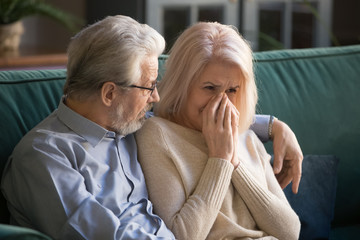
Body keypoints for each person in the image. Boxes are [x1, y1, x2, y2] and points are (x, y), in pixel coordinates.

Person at [1, 15, 301, 239]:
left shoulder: (126, 120)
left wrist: (274, 127)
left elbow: (190, 110)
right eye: (148, 87)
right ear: (109, 93)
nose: (156, 97)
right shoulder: (44, 157)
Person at [135, 22, 301, 240]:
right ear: (181, 85)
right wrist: (220, 160)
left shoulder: (248, 137)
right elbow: (181, 236)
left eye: (232, 90)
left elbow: (291, 231)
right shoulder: (158, 135)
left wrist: (234, 162)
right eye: (210, 88)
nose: (222, 101)